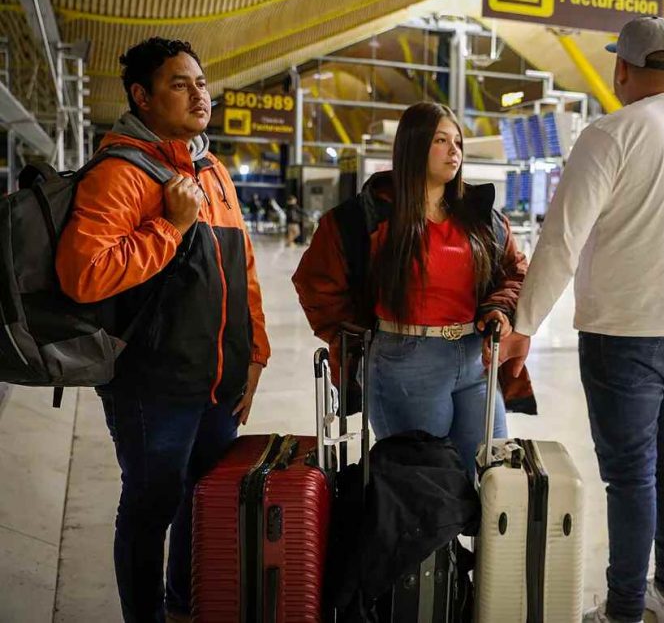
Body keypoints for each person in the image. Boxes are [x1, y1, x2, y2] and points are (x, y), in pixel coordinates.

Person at [501, 17, 664, 623]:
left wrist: (523, 324)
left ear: (621, 69)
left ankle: (625, 608)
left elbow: (560, 241)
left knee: (631, 476)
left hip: (625, 333)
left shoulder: (610, 134)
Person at [55, 38, 270, 623]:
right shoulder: (120, 173)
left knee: (202, 507)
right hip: (153, 387)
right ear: (142, 97)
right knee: (152, 509)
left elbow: (240, 266)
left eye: (201, 83)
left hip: (218, 381)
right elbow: (85, 274)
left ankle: (184, 609)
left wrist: (255, 354)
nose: (200, 94)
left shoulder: (212, 168)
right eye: (181, 84)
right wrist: (171, 228)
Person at [292, 102, 530, 475]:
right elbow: (315, 283)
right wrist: (354, 339)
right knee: (423, 491)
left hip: (475, 359)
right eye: (440, 140)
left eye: (458, 142)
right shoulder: (366, 218)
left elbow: (514, 272)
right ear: (413, 146)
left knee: (491, 479)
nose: (454, 150)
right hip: (405, 363)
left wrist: (498, 308)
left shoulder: (482, 218)